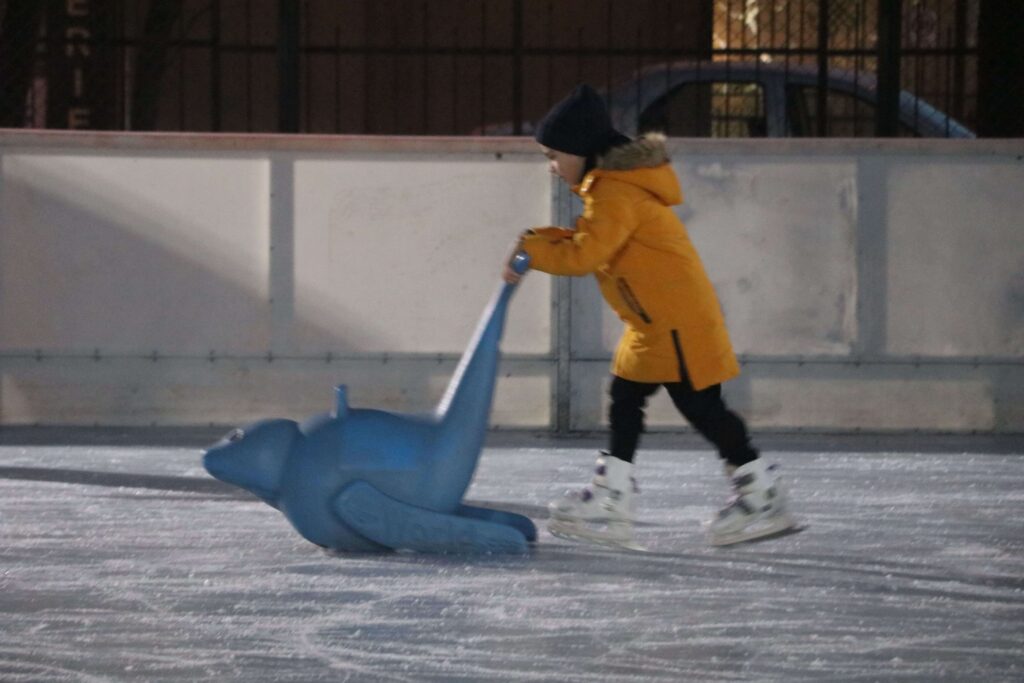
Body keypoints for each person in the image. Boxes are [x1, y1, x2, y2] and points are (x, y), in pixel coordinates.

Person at [504, 84, 795, 547]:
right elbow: (589, 239)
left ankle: (761, 492)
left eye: (554, 155)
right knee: (626, 399)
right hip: (654, 323)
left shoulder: (616, 191)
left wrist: (534, 252)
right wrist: (539, 241)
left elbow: (584, 255)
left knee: (702, 409)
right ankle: (614, 494)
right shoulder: (612, 190)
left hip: (674, 323)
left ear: (581, 149)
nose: (553, 167)